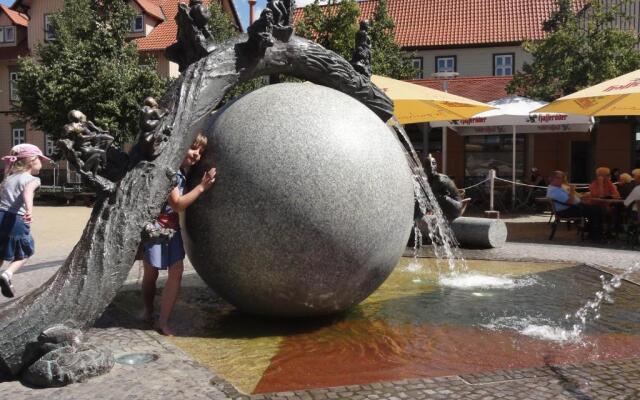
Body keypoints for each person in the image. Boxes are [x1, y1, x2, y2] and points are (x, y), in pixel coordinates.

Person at [142, 133, 216, 336]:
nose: (197, 156)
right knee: (151, 273)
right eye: (194, 149)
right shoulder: (170, 172)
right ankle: (149, 311)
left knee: (176, 271)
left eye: (200, 152)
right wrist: (202, 186)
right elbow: (177, 204)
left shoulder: (183, 172)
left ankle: (163, 321)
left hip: (172, 229)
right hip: (157, 229)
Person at [0, 144, 50, 298]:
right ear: (32, 162)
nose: (43, 162)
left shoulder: (8, 178)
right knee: (26, 252)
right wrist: (29, 210)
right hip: (16, 219)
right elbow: (28, 192)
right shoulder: (33, 179)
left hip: (1, 216)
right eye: (41, 159)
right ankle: (7, 274)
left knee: (1, 251)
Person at [547, 170, 604, 240]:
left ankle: (592, 232)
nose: (562, 180)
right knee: (596, 210)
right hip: (566, 211)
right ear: (552, 178)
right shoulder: (554, 191)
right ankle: (596, 236)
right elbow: (570, 201)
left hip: (572, 208)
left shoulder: (559, 187)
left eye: (562, 178)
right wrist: (571, 191)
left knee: (596, 208)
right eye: (559, 178)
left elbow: (573, 199)